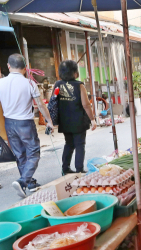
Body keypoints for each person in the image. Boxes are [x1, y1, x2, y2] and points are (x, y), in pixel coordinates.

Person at [0, 54, 54, 197]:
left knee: (20, 155)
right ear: (25, 68)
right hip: (25, 124)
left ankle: (29, 183)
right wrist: (49, 121)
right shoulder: (30, 83)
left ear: (8, 66)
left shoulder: (1, 83)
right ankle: (23, 181)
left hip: (9, 123)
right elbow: (41, 105)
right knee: (34, 153)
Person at [54, 60, 97, 175]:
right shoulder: (79, 85)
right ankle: (79, 170)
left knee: (68, 144)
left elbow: (54, 102)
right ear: (75, 73)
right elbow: (86, 105)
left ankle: (65, 169)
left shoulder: (58, 85)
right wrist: (92, 120)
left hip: (65, 121)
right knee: (80, 145)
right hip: (78, 121)